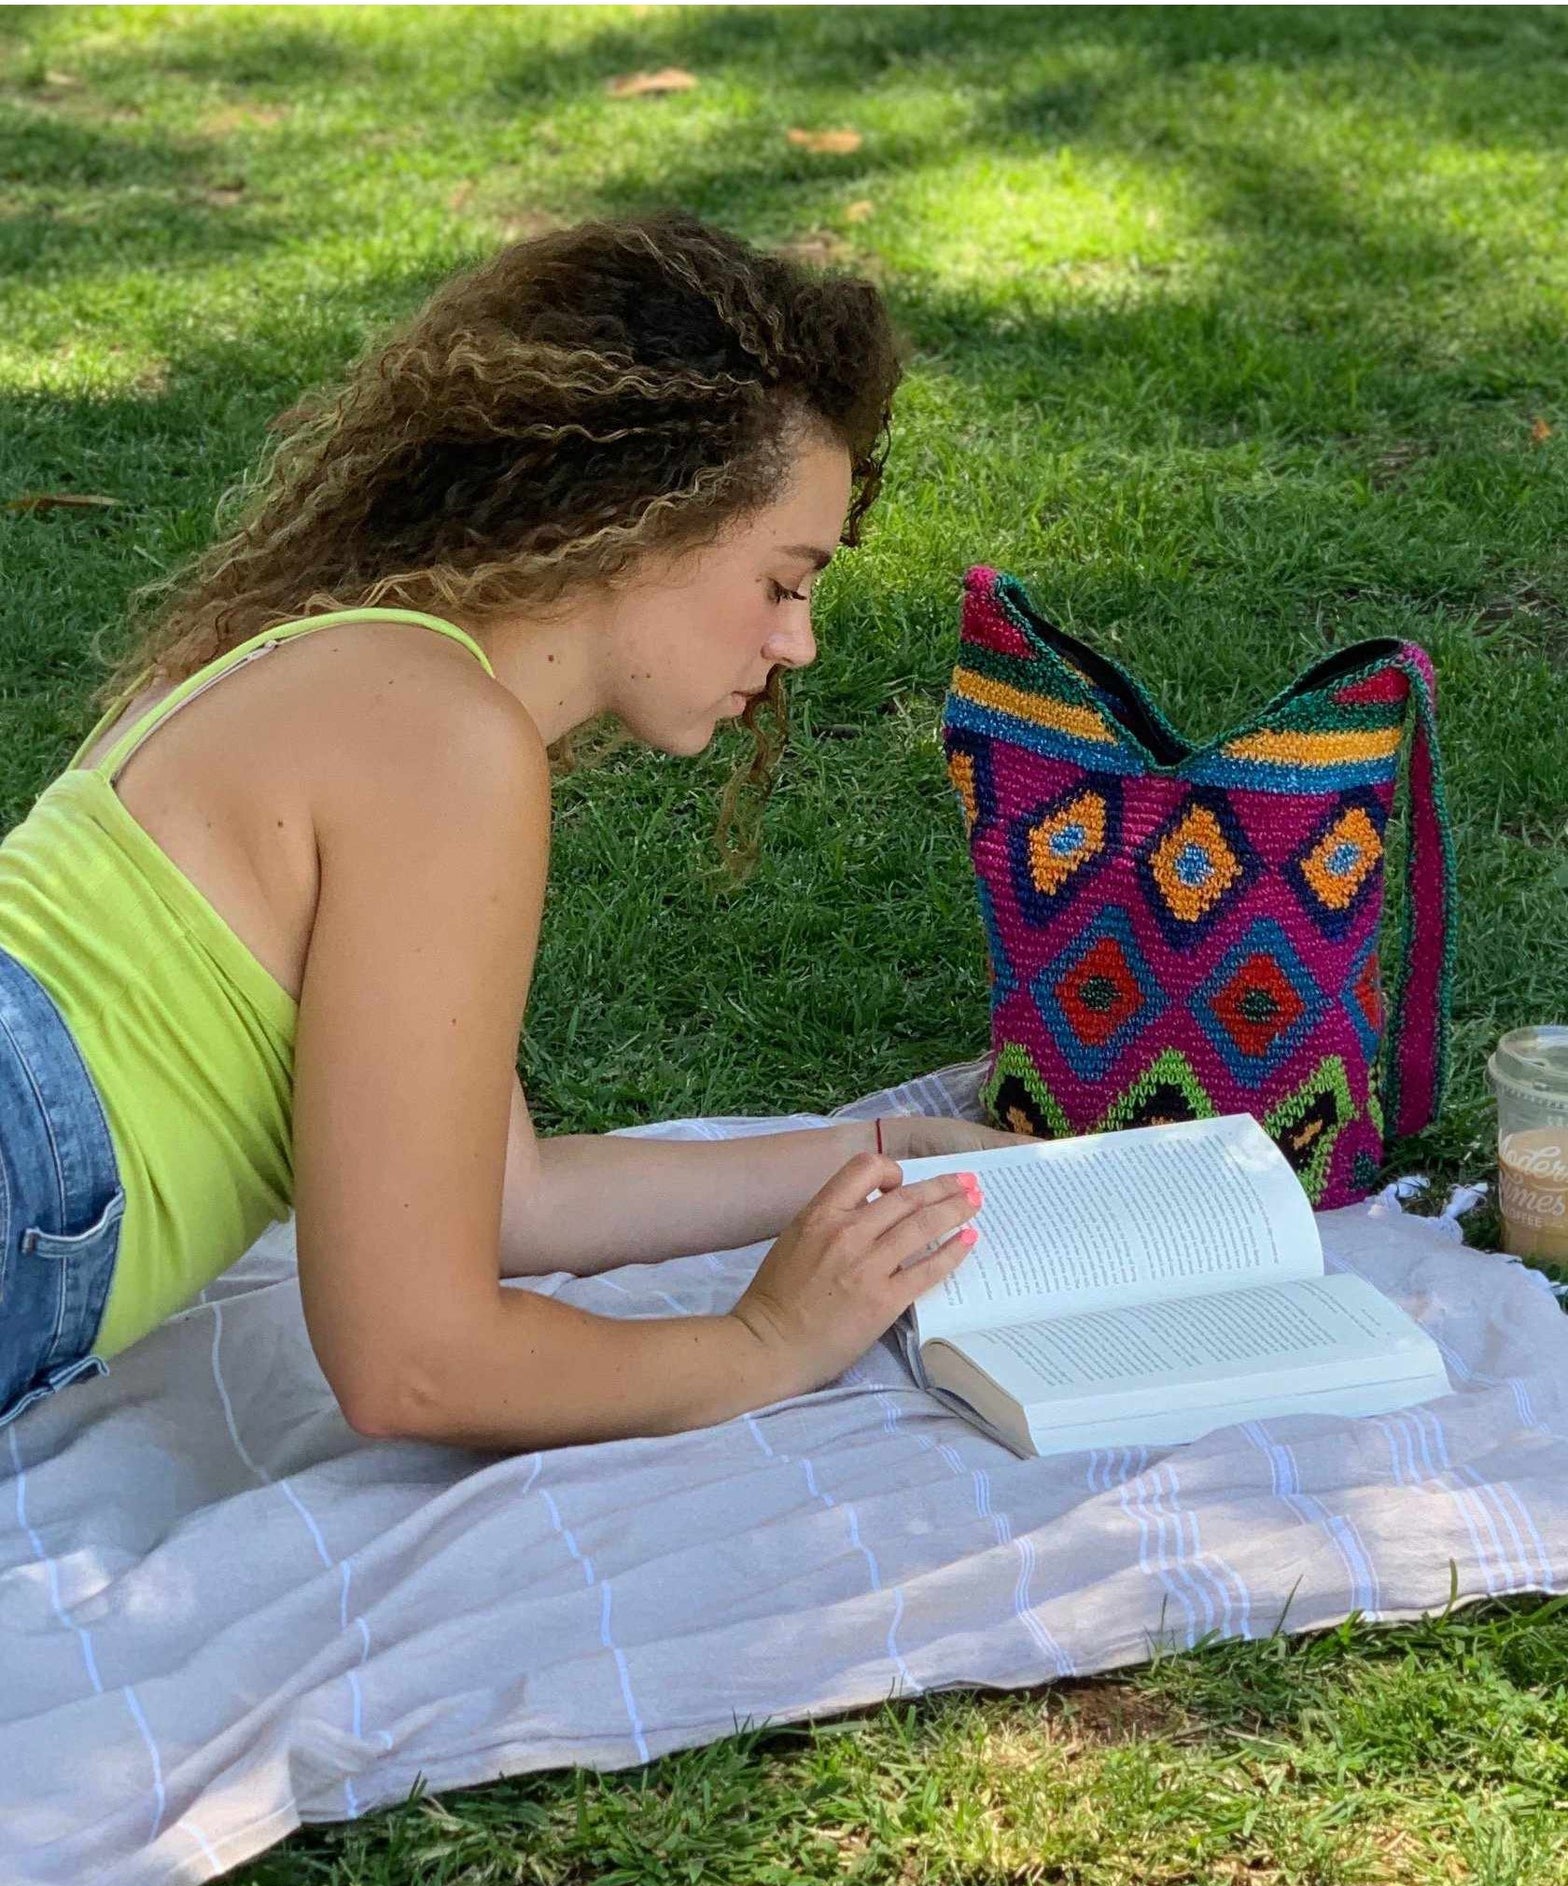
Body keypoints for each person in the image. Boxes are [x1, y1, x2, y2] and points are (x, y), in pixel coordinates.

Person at [0, 208, 1031, 1451]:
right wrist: (765, 1341)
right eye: (780, 579)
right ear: (644, 516)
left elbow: (509, 1198)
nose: (796, 641)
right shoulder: (445, 741)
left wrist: (887, 1146)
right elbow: (414, 1363)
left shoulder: (339, 663)